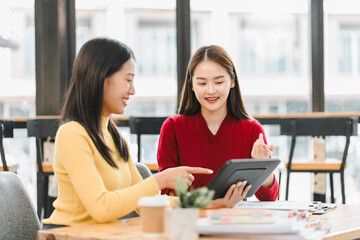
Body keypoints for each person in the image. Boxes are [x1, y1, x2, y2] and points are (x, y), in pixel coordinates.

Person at [42, 38, 213, 228]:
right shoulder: (72, 134)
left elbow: (146, 204)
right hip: (68, 234)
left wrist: (203, 203)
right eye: (128, 80)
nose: (132, 90)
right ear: (102, 78)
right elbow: (102, 208)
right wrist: (160, 180)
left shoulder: (114, 136)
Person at [157, 45, 279, 208]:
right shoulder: (172, 127)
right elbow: (167, 193)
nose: (211, 90)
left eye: (219, 82)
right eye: (202, 83)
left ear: (232, 81)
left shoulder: (252, 130)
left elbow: (269, 198)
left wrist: (263, 165)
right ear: (192, 85)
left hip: (234, 222)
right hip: (189, 220)